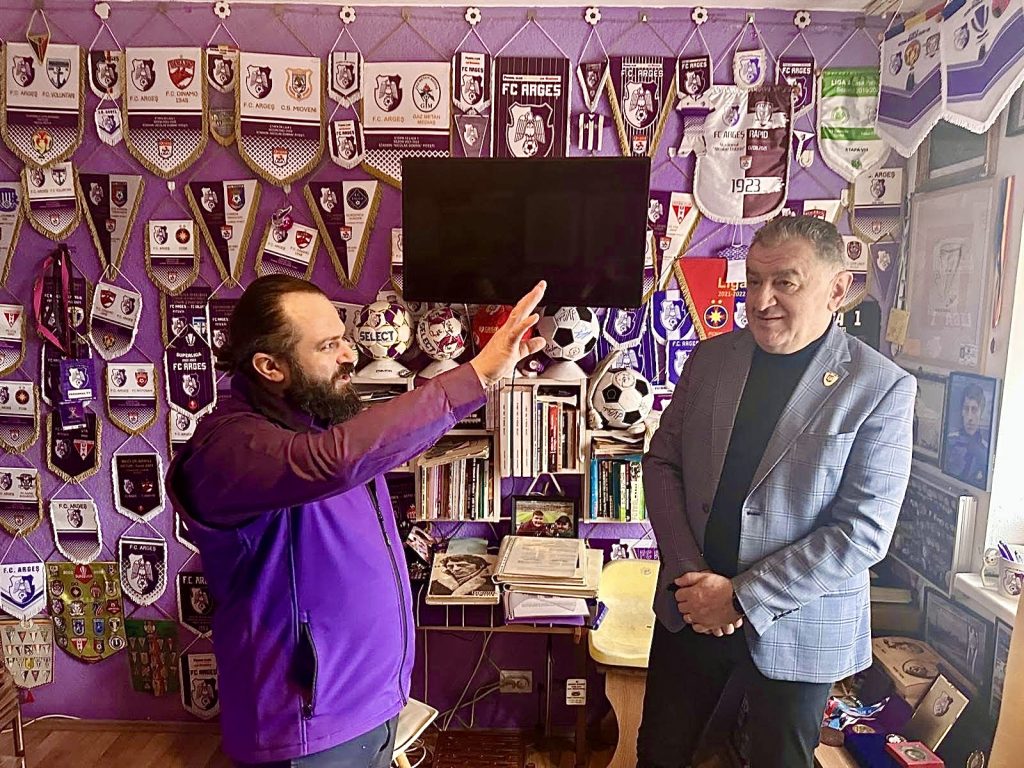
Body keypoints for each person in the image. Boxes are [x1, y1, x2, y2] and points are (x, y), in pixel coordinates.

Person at [166, 274, 547, 767]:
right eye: (328, 346)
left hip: (376, 707)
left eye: (344, 338)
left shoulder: (327, 422)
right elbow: (332, 461)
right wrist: (475, 376)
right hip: (307, 732)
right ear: (270, 366)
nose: (350, 354)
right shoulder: (229, 447)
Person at [638, 216, 915, 768]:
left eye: (785, 282)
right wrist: (692, 576)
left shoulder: (881, 387)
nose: (762, 301)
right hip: (690, 611)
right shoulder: (711, 359)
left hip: (798, 631)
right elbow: (661, 463)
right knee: (660, 757)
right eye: (753, 281)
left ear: (837, 288)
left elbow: (863, 532)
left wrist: (740, 596)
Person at [943, 383, 989, 486]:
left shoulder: (985, 451)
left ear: (981, 413)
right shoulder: (949, 442)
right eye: (966, 409)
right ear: (961, 412)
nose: (970, 417)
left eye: (974, 410)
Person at [428, 554, 493, 596]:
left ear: (480, 565)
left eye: (462, 565)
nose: (455, 569)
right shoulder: (435, 584)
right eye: (450, 566)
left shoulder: (492, 581)